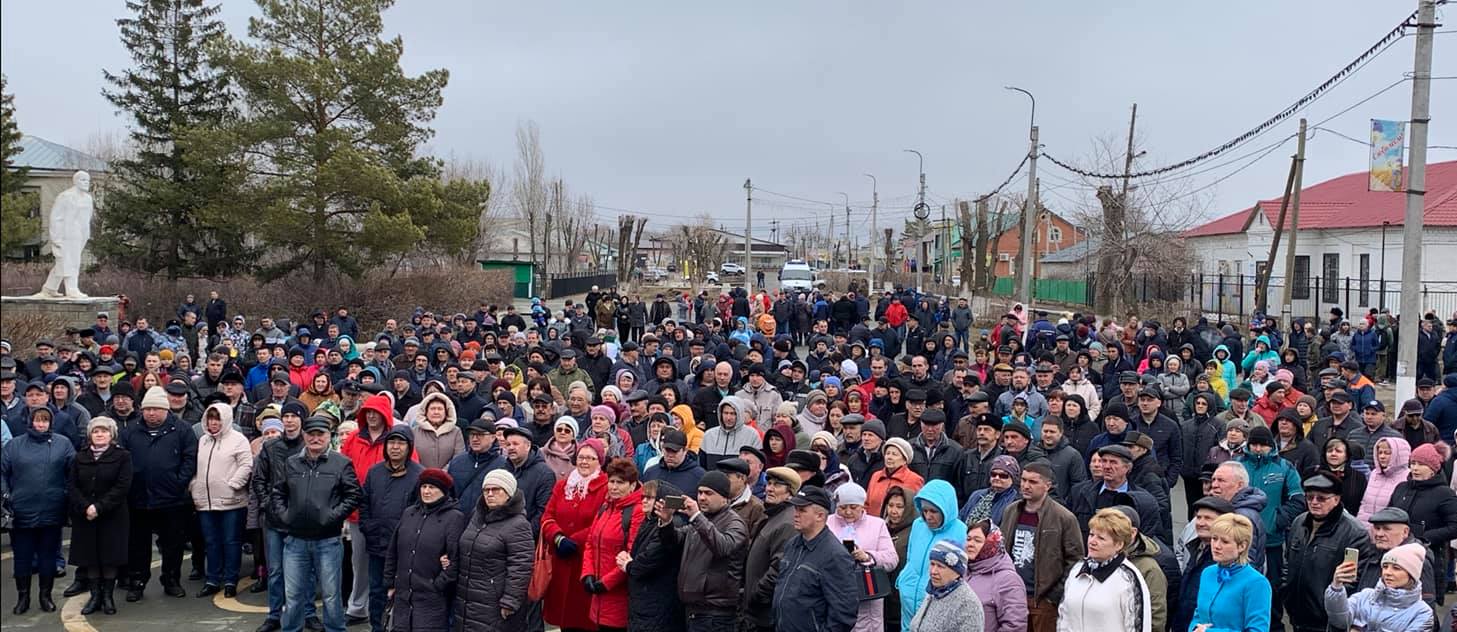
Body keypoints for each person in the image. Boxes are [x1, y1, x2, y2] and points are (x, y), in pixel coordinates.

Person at [269, 415, 364, 632]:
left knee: (331, 596)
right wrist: (286, 516)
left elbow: (354, 495)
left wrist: (332, 517)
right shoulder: (291, 463)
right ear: (304, 436)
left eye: (320, 434)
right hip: (295, 540)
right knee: (293, 595)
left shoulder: (341, 463)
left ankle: (335, 629)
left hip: (328, 540)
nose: (315, 439)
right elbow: (278, 492)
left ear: (328, 436)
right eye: (311, 434)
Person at [121, 385, 198, 601]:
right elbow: (122, 460)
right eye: (147, 409)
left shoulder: (182, 430)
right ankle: (137, 581)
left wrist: (178, 483)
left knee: (172, 544)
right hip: (139, 499)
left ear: (166, 410)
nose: (151, 413)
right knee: (138, 545)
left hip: (172, 500)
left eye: (156, 409)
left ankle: (171, 580)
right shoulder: (130, 431)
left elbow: (190, 459)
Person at [2, 405, 76, 614]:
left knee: (48, 556)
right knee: (22, 557)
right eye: (37, 419)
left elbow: (74, 472)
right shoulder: (15, 445)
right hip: (21, 510)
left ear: (51, 422)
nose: (41, 424)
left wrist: (67, 497)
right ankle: (22, 597)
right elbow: (2, 472)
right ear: (30, 421)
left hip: (52, 509)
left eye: (45, 420)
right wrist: (7, 496)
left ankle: (45, 595)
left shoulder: (63, 443)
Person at [658, 469, 749, 632]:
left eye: (708, 493)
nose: (702, 498)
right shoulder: (702, 519)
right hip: (695, 611)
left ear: (724, 497)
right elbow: (675, 541)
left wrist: (696, 516)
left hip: (716, 615)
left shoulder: (735, 523)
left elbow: (723, 547)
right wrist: (666, 523)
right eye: (699, 492)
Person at [1281, 473, 1372, 632]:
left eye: (1321, 498)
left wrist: (1333, 611)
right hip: (1296, 614)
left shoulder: (1355, 532)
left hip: (1326, 621)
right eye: (1310, 497)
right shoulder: (1299, 522)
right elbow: (1288, 561)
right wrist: (1285, 590)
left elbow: (1352, 582)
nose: (1314, 502)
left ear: (1336, 499)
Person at [997, 462, 1080, 632]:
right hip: (1011, 596)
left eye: (1033, 482)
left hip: (1042, 600)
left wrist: (1053, 596)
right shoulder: (1011, 511)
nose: (1026, 486)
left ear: (1047, 486)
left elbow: (1075, 561)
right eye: (1023, 480)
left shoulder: (1064, 517)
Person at [450, 469, 535, 632]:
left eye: (495, 490)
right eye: (486, 490)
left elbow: (521, 567)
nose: (489, 494)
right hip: (467, 598)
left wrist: (510, 601)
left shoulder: (518, 524)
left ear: (508, 493)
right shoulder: (477, 516)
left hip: (494, 602)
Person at [539, 437, 610, 632]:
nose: (584, 462)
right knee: (564, 622)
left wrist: (575, 541)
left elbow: (602, 522)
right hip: (561, 560)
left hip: (587, 564)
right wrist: (558, 537)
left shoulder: (606, 488)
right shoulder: (563, 486)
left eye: (590, 458)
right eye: (581, 457)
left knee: (585, 621)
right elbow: (547, 516)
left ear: (599, 461)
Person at [382, 468, 466, 632]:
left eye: (432, 488)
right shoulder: (409, 513)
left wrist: (437, 585)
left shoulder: (454, 518)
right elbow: (393, 551)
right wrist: (390, 582)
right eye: (424, 486)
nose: (426, 491)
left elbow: (455, 559)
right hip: (403, 595)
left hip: (431, 599)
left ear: (443, 491)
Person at [772, 485, 863, 632]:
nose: (795, 514)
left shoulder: (835, 555)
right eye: (795, 509)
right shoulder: (793, 544)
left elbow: (844, 613)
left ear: (820, 516)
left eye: (802, 510)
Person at [67, 416, 132, 615]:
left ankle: (108, 597)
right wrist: (86, 507)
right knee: (91, 557)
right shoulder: (80, 457)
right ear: (90, 435)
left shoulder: (123, 456)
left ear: (111, 435)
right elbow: (73, 486)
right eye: (96, 431)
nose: (100, 434)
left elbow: (122, 486)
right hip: (85, 515)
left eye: (104, 431)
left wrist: (99, 507)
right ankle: (95, 596)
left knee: (109, 557)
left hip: (112, 514)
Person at [359, 425, 421, 632]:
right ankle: (377, 627)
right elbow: (365, 503)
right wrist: (367, 526)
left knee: (404, 592)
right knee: (376, 590)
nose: (395, 447)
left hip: (404, 547)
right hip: (377, 543)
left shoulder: (419, 475)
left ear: (409, 447)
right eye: (391, 442)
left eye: (400, 443)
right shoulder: (375, 472)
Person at [191, 401, 254, 598]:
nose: (213, 423)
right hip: (205, 501)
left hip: (232, 502)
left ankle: (230, 580)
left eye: (217, 418)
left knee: (231, 541)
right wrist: (194, 486)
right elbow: (196, 466)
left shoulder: (238, 439)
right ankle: (212, 579)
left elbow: (246, 465)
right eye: (210, 418)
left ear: (225, 419)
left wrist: (233, 484)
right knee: (211, 542)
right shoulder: (203, 441)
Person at [1055, 508, 1152, 632]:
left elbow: (1139, 628)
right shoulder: (1077, 569)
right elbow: (1064, 617)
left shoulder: (1129, 579)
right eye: (1091, 535)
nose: (1092, 542)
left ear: (1119, 544)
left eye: (1101, 538)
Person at [581, 457, 646, 632]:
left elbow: (633, 553)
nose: (614, 487)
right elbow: (590, 542)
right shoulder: (605, 507)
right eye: (611, 481)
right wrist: (587, 573)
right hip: (598, 595)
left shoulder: (637, 511)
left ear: (632, 486)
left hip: (620, 595)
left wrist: (606, 583)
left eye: (620, 482)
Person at [896, 479, 967, 632]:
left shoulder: (961, 531)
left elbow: (961, 574)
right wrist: (904, 580)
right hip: (907, 599)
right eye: (924, 511)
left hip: (935, 602)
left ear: (946, 508)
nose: (928, 516)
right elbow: (910, 557)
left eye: (933, 511)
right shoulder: (918, 525)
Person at [827, 482, 899, 632]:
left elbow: (892, 559)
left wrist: (867, 556)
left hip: (868, 598)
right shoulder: (827, 523)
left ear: (862, 506)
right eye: (842, 507)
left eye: (853, 507)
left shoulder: (877, 524)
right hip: (834, 593)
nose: (847, 512)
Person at [621, 479, 687, 632]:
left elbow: (648, 561)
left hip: (658, 602)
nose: (643, 501)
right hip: (646, 602)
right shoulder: (649, 521)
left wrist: (628, 564)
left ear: (661, 501)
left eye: (649, 498)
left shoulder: (670, 525)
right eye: (643, 497)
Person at [743, 467, 804, 632]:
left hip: (767, 614)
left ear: (790, 492)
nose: (769, 488)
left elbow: (779, 567)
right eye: (769, 483)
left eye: (777, 485)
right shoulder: (774, 515)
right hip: (759, 612)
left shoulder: (788, 522)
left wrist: (757, 596)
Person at [1188, 513, 1271, 632]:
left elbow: (1258, 630)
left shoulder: (1256, 583)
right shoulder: (1207, 573)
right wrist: (1194, 628)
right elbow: (1198, 615)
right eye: (1214, 539)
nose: (1216, 546)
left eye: (1225, 542)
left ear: (1242, 546)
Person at [1324, 542, 1434, 631]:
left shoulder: (1422, 612)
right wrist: (1336, 587)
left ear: (1411, 575)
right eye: (1385, 567)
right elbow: (1339, 621)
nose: (1387, 572)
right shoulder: (1364, 596)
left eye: (1396, 568)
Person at [961, 520, 1027, 632]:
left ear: (990, 544)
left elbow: (1015, 625)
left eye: (977, 540)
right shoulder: (964, 571)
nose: (970, 544)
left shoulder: (1008, 580)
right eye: (968, 539)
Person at [908, 540, 985, 632]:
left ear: (957, 572)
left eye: (940, 566)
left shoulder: (968, 604)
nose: (933, 571)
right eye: (932, 564)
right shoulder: (934, 591)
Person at [882, 485, 920, 632]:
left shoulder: (914, 531)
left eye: (899, 506)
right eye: (890, 505)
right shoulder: (881, 528)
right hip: (881, 599)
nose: (893, 511)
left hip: (902, 600)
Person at [866, 436, 922, 518]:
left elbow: (916, 510)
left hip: (899, 529)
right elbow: (867, 504)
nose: (889, 457)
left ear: (904, 460)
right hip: (874, 526)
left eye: (894, 454)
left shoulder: (914, 479)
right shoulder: (876, 476)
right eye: (887, 453)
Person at [412, 392, 464, 469]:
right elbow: (412, 458)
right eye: (432, 409)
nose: (436, 412)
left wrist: (443, 473)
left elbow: (458, 457)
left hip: (448, 477)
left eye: (440, 409)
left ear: (446, 412)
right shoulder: (415, 432)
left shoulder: (456, 432)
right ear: (425, 412)